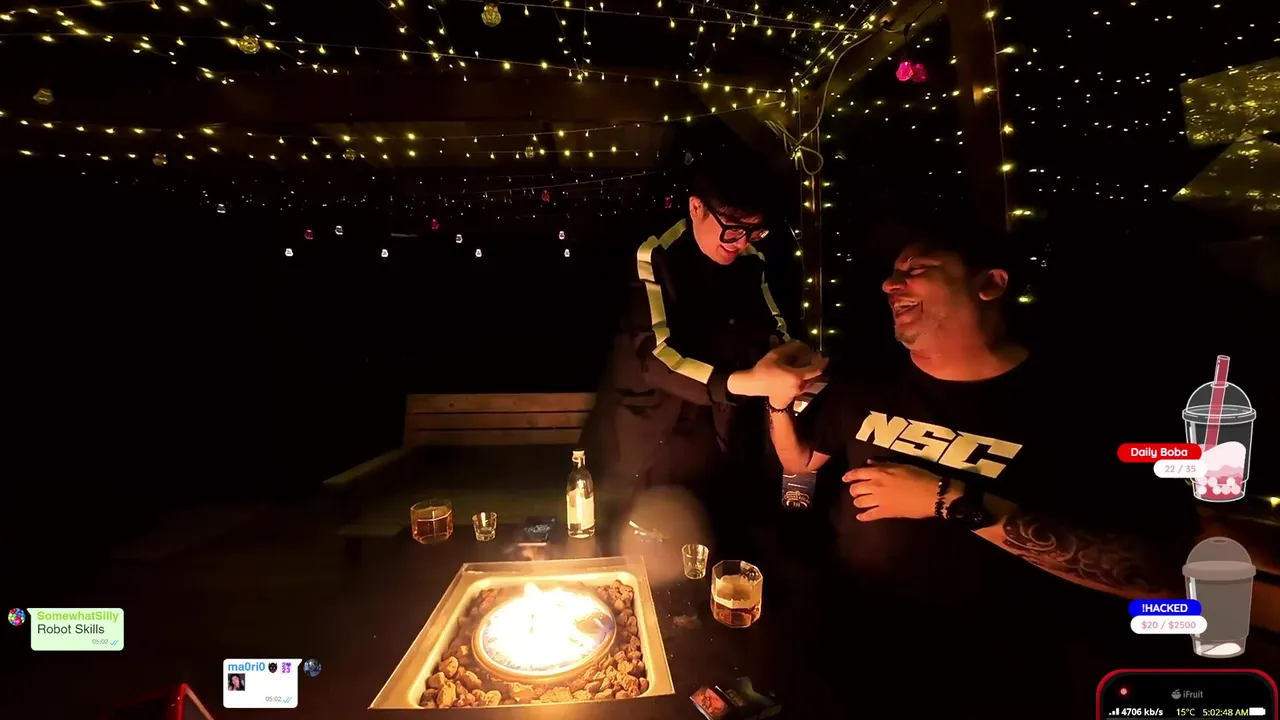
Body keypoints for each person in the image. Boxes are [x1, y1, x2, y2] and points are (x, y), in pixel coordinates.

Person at [766, 217, 1199, 603]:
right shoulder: (869, 378)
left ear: (990, 283)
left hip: (1003, 647)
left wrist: (950, 500)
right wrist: (777, 401)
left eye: (917, 269)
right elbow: (800, 461)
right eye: (894, 272)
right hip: (855, 612)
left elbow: (1159, 573)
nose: (890, 284)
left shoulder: (1086, 403)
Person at [590, 145, 825, 527]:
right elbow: (656, 357)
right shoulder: (655, 255)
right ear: (696, 206)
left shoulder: (751, 262)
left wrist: (793, 357)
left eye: (754, 230)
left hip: (722, 441)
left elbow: (775, 330)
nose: (741, 242)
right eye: (732, 228)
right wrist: (747, 382)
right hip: (651, 441)